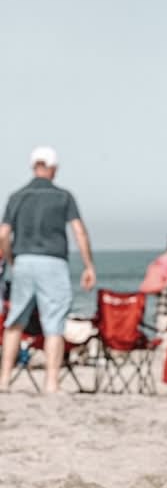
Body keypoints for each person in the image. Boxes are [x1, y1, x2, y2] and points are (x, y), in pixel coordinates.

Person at [0, 146, 96, 393]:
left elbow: (3, 235)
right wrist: (88, 265)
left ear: (34, 166)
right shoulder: (63, 197)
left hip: (23, 260)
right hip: (53, 261)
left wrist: (11, 258)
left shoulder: (16, 197)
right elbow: (79, 231)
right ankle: (51, 382)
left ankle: (4, 380)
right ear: (53, 168)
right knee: (54, 322)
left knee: (15, 321)